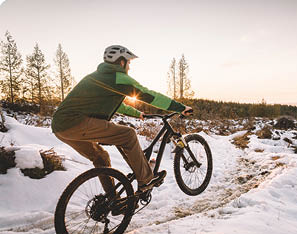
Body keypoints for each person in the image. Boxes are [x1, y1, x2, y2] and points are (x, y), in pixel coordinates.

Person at [51, 45, 192, 196]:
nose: (129, 67)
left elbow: (117, 104)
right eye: (129, 63)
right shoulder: (118, 78)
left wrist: (137, 114)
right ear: (121, 62)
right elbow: (148, 95)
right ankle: (146, 179)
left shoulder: (97, 77)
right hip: (76, 122)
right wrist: (179, 107)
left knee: (100, 157)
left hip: (60, 127)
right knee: (128, 135)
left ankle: (113, 199)